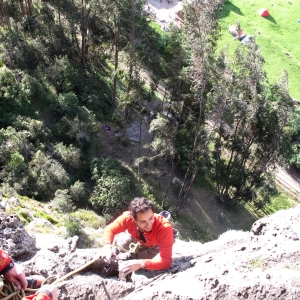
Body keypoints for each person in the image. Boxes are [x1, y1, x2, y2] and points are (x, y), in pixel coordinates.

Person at [102, 197, 173, 276]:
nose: (149, 225)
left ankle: (130, 257)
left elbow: (166, 261)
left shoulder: (164, 228)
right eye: (143, 221)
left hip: (153, 246)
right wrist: (107, 246)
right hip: (135, 236)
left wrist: (142, 263)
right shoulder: (128, 218)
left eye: (151, 218)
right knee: (120, 247)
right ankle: (118, 252)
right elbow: (110, 229)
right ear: (134, 220)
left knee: (135, 260)